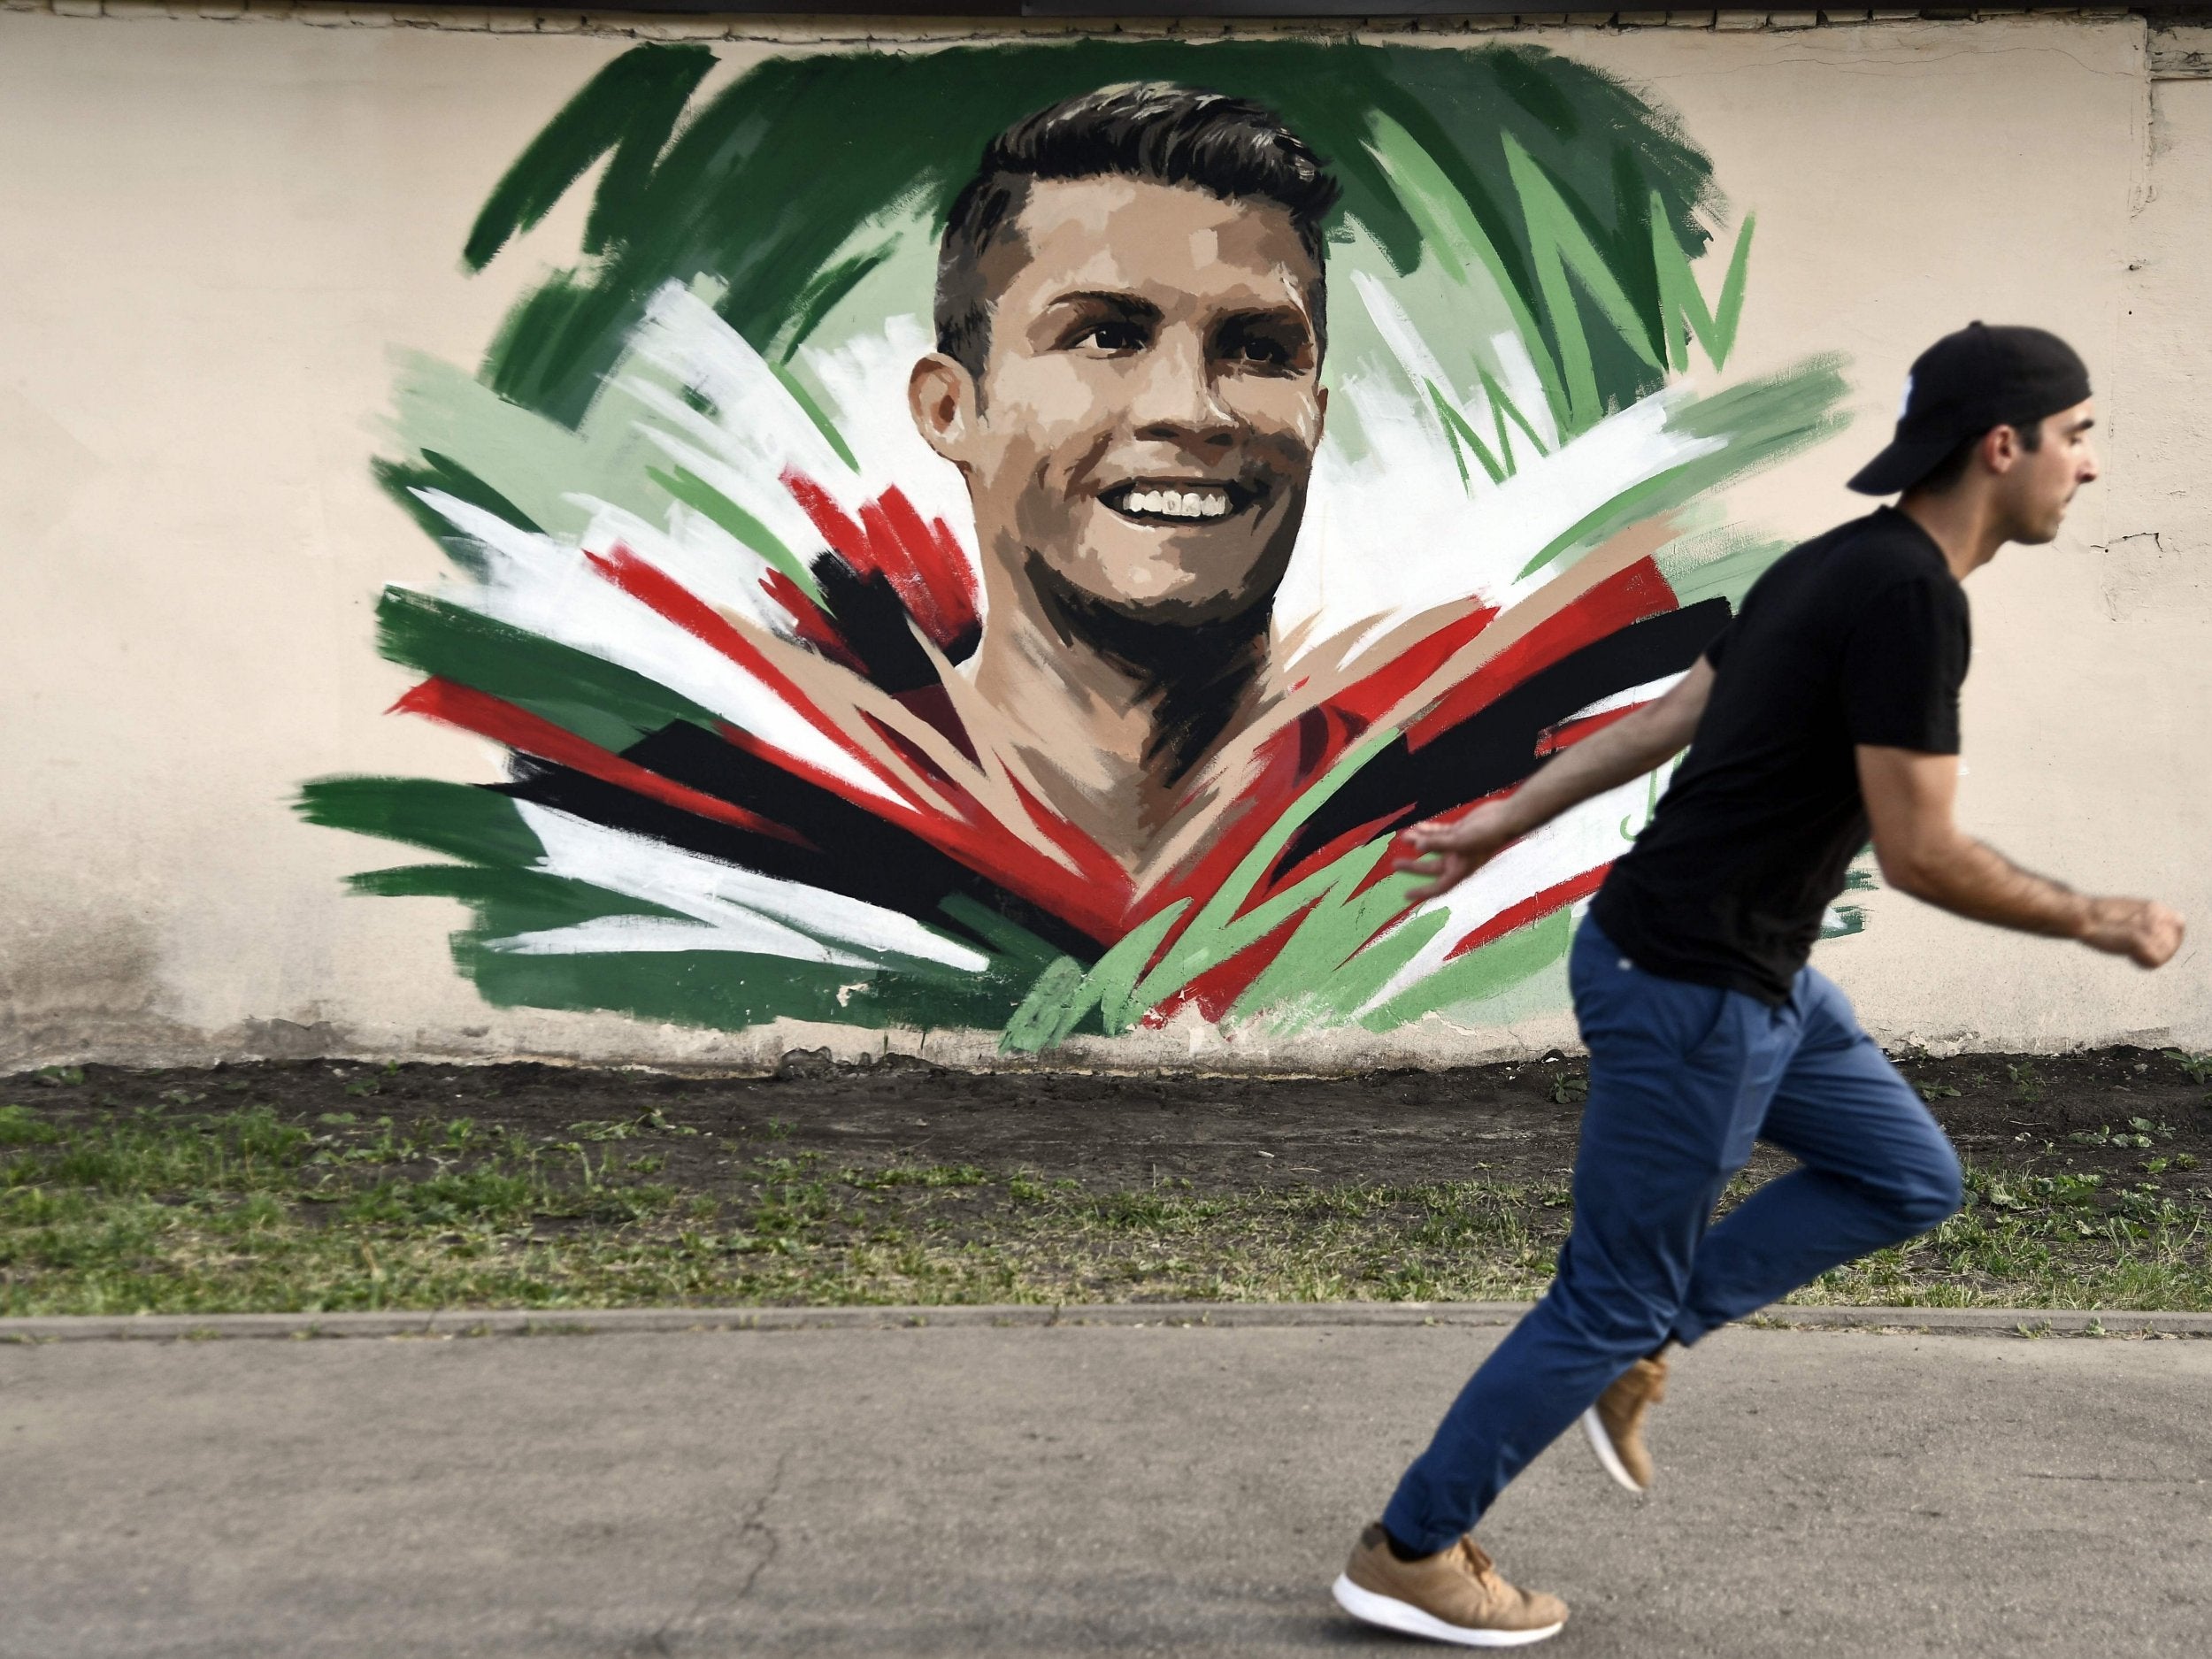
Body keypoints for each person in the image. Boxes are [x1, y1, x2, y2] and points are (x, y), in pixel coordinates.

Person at [1331, 321, 2186, 1647]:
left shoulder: (1836, 563)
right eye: (2078, 436)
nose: (2091, 467)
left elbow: (1666, 722)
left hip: (1754, 969)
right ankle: (1414, 1546)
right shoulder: (1904, 596)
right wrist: (2097, 915)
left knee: (1908, 1174)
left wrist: (1500, 823)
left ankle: (1640, 1340)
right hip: (1694, 984)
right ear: (2002, 445)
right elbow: (1922, 851)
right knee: (1603, 1294)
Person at [907, 81, 1337, 861]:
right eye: (1106, 336)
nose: (1193, 410)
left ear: (1317, 416)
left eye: (1262, 349)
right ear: (950, 409)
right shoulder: (784, 848)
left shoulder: (1470, 839)